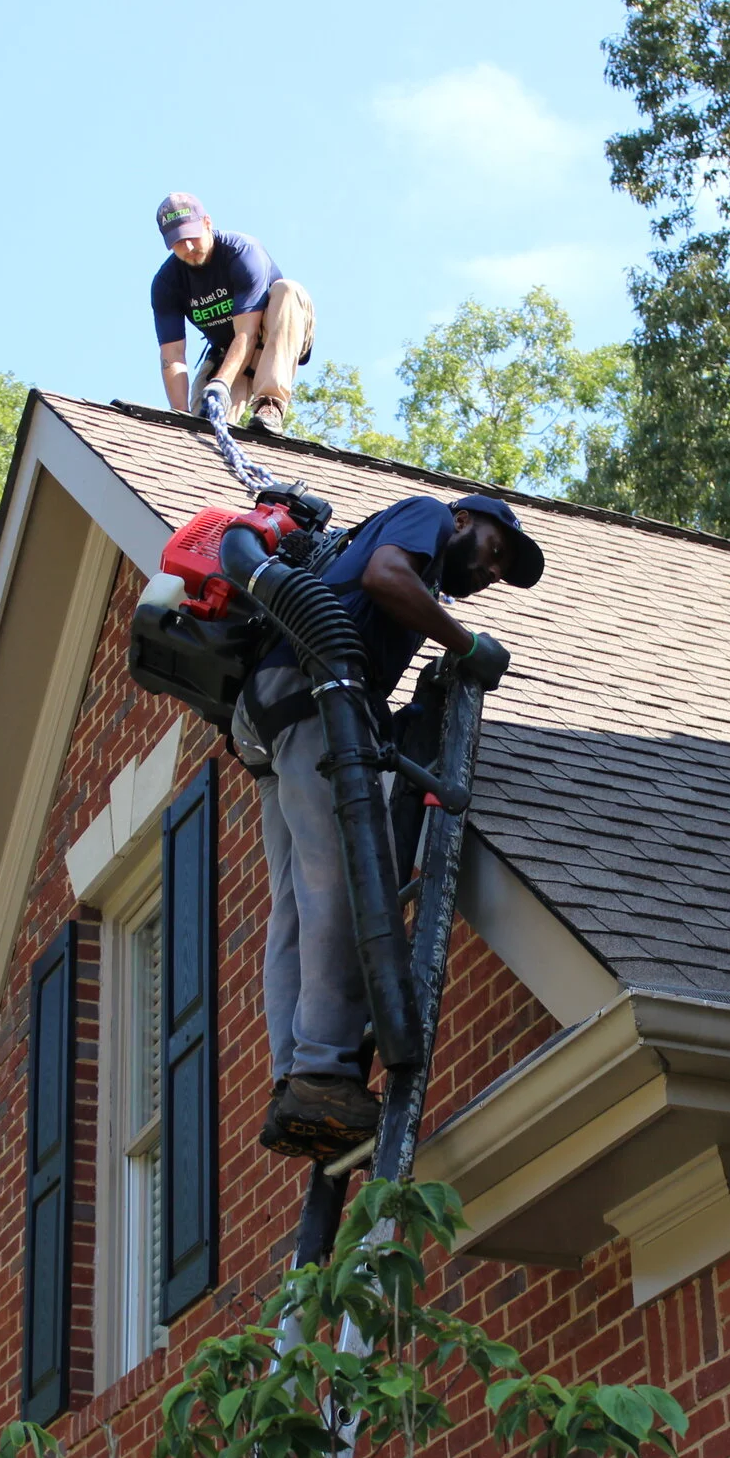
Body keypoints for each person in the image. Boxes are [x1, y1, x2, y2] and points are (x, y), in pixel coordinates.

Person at [230, 492, 545, 1158]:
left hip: (273, 708)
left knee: (295, 906)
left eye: (500, 571)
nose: (492, 571)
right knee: (343, 885)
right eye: (495, 552)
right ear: (464, 521)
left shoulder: (394, 557)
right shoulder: (428, 515)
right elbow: (385, 577)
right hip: (315, 693)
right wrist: (467, 644)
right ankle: (321, 1073)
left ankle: (295, 1079)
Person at [150, 192, 314, 435]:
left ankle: (270, 404)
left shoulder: (243, 253)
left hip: (274, 332)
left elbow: (247, 332)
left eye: (192, 236)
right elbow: (172, 355)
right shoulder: (167, 283)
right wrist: (180, 416)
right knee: (202, 431)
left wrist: (221, 383)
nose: (189, 247)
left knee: (287, 291)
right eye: (179, 242)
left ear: (207, 223)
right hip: (229, 350)